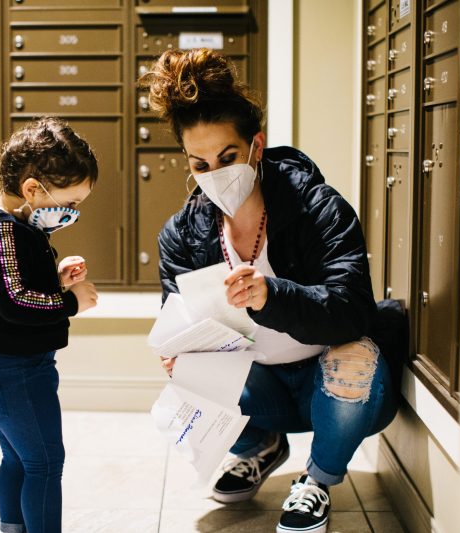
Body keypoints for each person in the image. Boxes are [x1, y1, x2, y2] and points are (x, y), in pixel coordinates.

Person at [140, 49, 400, 533]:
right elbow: (176, 321)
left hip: (329, 380)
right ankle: (261, 446)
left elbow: (352, 311)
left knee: (357, 357)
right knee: (190, 371)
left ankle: (317, 480)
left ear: (256, 146)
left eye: (228, 157)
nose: (215, 173)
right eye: (200, 163)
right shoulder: (182, 235)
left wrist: (271, 296)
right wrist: (178, 353)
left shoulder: (317, 207)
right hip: (262, 386)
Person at [0, 117, 99, 533]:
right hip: (13, 371)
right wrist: (69, 302)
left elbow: (9, 285)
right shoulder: (3, 229)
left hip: (7, 368)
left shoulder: (11, 225)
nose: (73, 213)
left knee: (19, 460)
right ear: (33, 190)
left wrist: (56, 279)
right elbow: (15, 301)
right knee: (44, 464)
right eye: (71, 202)